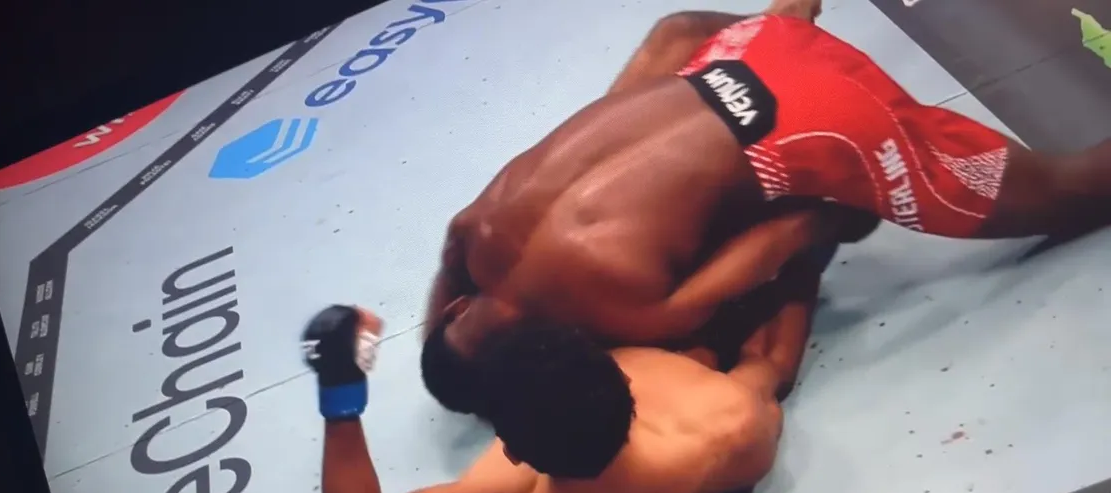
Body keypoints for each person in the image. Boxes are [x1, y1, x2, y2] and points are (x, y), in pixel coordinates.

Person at [420, 1, 1111, 460]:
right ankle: (793, 18)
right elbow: (450, 262)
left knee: (1066, 194)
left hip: (822, 119)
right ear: (456, 309)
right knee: (671, 50)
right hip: (738, 51)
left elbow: (798, 232)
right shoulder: (476, 224)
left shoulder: (618, 309)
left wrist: (855, 204)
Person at [301, 255, 818, 493]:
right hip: (692, 385)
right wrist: (808, 253)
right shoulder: (730, 425)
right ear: (622, 375)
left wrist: (340, 392)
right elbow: (769, 361)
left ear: (510, 450)